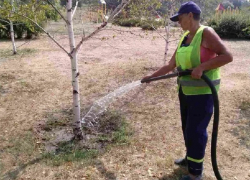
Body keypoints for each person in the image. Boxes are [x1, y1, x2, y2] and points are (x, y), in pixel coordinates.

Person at [142, 1, 233, 180]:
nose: (178, 22)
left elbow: (227, 56)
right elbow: (171, 64)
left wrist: (202, 67)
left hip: (203, 94)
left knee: (196, 131)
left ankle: (195, 174)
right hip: (186, 92)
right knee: (187, 128)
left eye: (180, 18)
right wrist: (151, 77)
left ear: (190, 16)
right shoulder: (185, 37)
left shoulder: (206, 33)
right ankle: (190, 159)